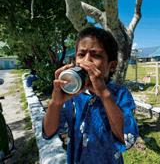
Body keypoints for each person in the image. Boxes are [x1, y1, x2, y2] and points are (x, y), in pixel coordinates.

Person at [42, 27, 139, 164]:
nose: (85, 62)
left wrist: (104, 94)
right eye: (81, 55)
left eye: (97, 55)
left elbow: (126, 139)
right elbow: (49, 131)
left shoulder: (120, 94)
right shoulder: (73, 95)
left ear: (111, 66)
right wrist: (55, 103)